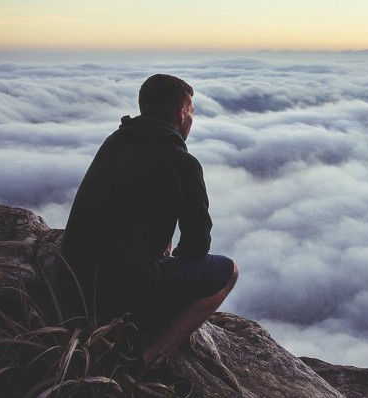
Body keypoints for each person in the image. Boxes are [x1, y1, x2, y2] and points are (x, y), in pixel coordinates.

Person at [58, 74, 238, 370]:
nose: (191, 120)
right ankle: (145, 359)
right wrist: (169, 261)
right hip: (116, 296)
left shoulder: (116, 140)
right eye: (191, 112)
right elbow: (196, 246)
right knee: (226, 272)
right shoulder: (182, 162)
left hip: (70, 285)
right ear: (182, 116)